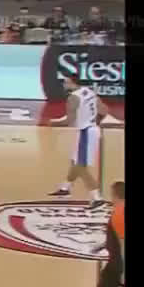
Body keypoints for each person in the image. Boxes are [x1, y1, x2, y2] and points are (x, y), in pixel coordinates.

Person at [59, 182, 125, 287]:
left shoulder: (120, 213)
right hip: (115, 266)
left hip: (119, 267)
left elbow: (123, 245)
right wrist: (103, 245)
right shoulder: (119, 211)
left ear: (116, 195)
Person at [46, 74, 109, 207]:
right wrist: (95, 122)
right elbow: (104, 110)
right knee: (75, 162)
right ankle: (65, 188)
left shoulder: (73, 98)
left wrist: (53, 123)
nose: (64, 84)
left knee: (81, 167)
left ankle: (97, 198)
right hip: (91, 130)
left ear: (72, 83)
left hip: (85, 133)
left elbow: (69, 121)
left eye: (66, 82)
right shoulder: (90, 92)